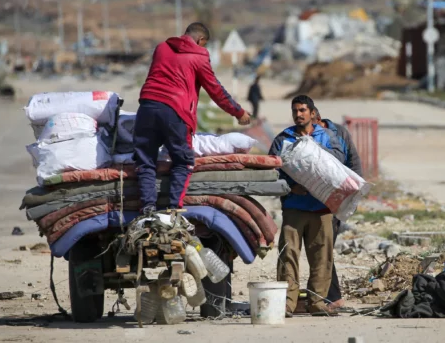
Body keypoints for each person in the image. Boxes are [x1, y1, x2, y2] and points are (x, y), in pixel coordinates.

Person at [134, 22, 251, 216]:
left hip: (147, 106)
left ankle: (148, 207)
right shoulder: (199, 56)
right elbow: (215, 90)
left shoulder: (162, 48)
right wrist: (238, 112)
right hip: (175, 111)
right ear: (200, 40)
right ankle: (173, 208)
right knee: (183, 160)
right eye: (203, 45)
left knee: (145, 160)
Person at [268, 95, 345, 317]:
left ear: (313, 113)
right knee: (288, 255)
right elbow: (271, 173)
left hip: (322, 208)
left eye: (303, 110)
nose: (299, 114)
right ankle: (287, 304)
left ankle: (317, 302)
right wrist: (291, 188)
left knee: (322, 257)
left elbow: (340, 167)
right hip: (294, 208)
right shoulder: (283, 139)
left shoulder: (328, 138)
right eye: (295, 111)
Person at [312, 108, 362, 312]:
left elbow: (354, 161)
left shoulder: (339, 133)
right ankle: (325, 294)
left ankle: (333, 296)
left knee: (325, 249)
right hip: (313, 202)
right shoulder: (304, 136)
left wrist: (354, 193)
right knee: (320, 249)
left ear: (317, 118)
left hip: (334, 202)